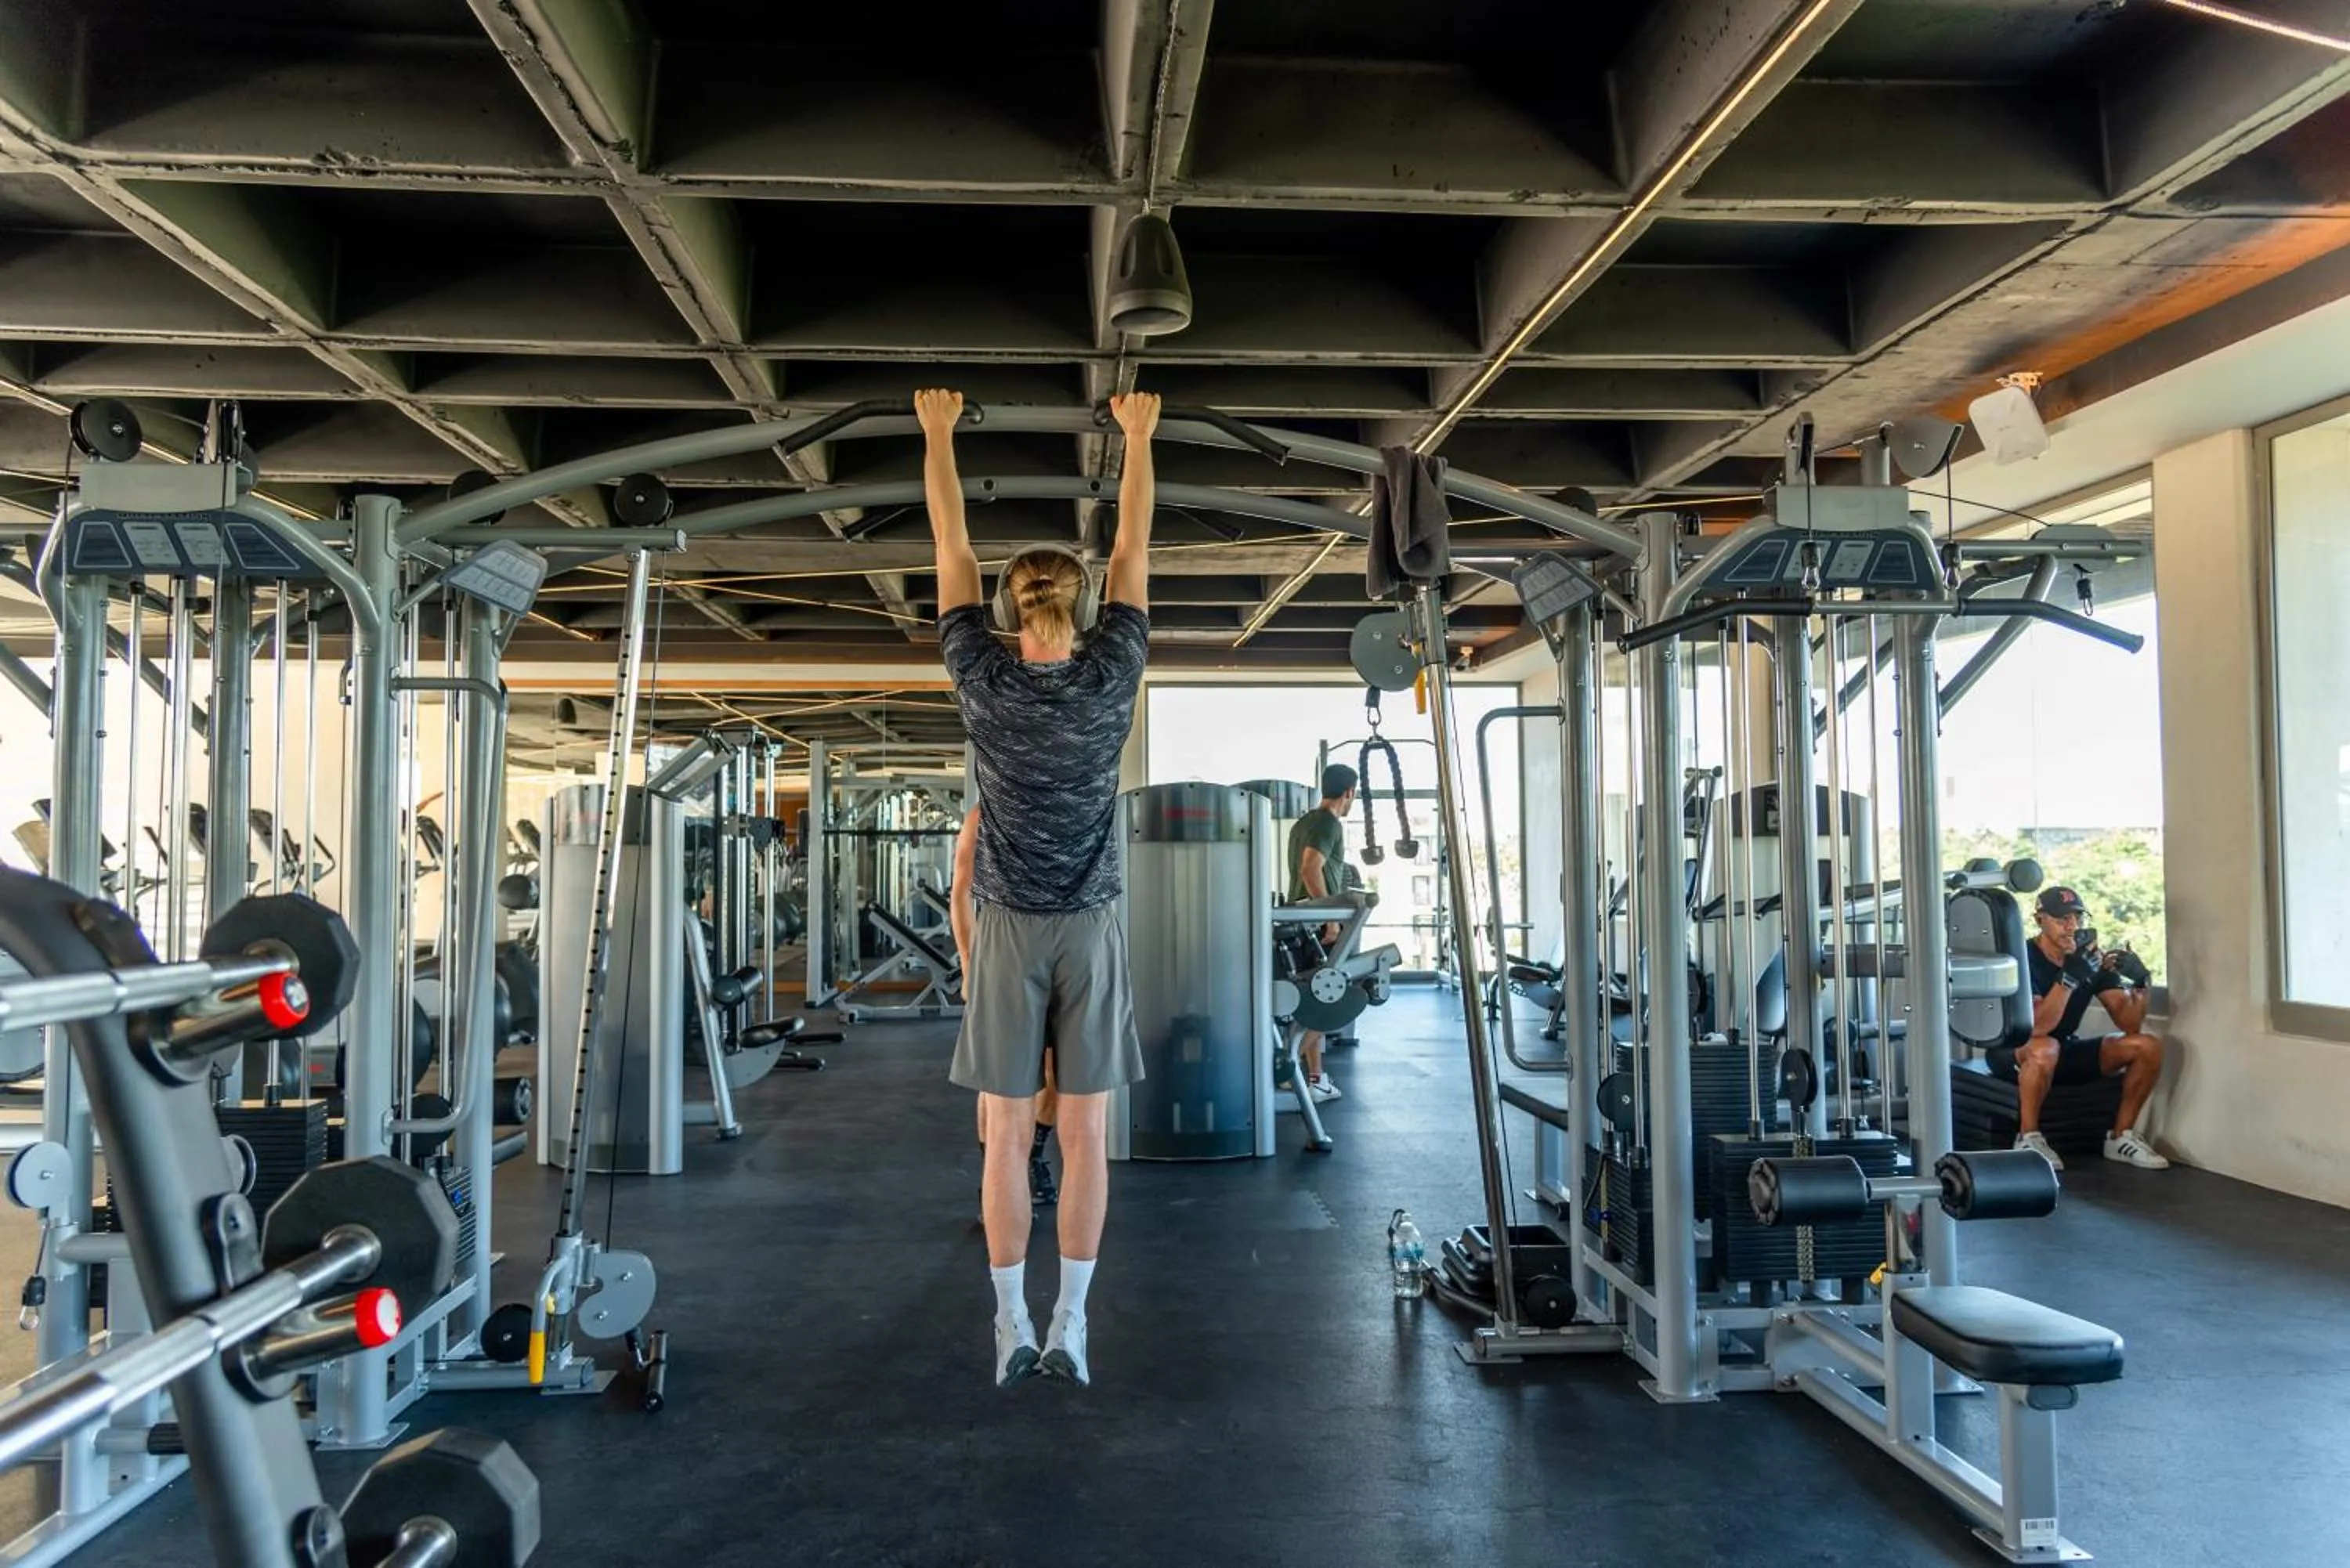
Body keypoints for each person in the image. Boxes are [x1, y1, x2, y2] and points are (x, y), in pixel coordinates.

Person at [921, 385, 1158, 1389]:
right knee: (1089, 1132)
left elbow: (953, 552)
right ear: (1083, 606)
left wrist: (936, 433)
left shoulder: (981, 675)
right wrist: (1139, 438)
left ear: (1009, 605)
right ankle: (1076, 1323)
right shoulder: (1113, 674)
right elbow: (1138, 546)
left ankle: (1010, 1321)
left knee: (1009, 1135)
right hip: (1088, 922)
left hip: (1011, 925)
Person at [1989, 885, 2169, 1170]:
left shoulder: (2087, 959)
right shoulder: (2023, 958)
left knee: (2147, 1046)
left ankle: (2120, 1137)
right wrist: (2069, 979)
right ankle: (2028, 1137)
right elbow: (2038, 1027)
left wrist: (2140, 981)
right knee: (2046, 1046)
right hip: (2015, 1047)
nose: (2071, 927)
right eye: (2062, 919)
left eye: (2077, 918)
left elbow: (2131, 1023)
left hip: (2063, 1048)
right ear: (2040, 920)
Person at [953, 807, 1058, 1210]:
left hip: (1058, 962)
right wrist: (968, 963)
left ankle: (1032, 1158)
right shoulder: (982, 818)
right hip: (1001, 962)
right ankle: (994, 1174)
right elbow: (961, 891)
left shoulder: (1064, 811)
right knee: (999, 1081)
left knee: (1053, 1073)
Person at [1283, 763, 1359, 1103]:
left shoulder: (1303, 823)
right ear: (1349, 793)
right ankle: (1285, 1062)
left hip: (1299, 920)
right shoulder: (1328, 823)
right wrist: (1329, 917)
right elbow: (1310, 867)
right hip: (1317, 924)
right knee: (1332, 1000)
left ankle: (1314, 1079)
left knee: (1317, 998)